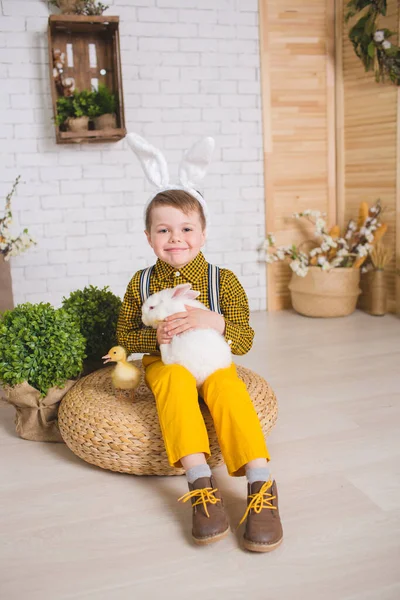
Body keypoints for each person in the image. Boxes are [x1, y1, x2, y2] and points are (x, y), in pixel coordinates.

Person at [116, 134, 283, 552]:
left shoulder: (221, 281)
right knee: (172, 381)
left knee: (227, 386)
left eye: (187, 228)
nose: (176, 239)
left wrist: (218, 320)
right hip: (166, 361)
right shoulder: (140, 283)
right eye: (164, 230)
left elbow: (244, 339)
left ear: (203, 234)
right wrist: (151, 335)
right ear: (148, 236)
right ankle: (201, 487)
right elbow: (123, 336)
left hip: (211, 362)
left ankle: (261, 485)